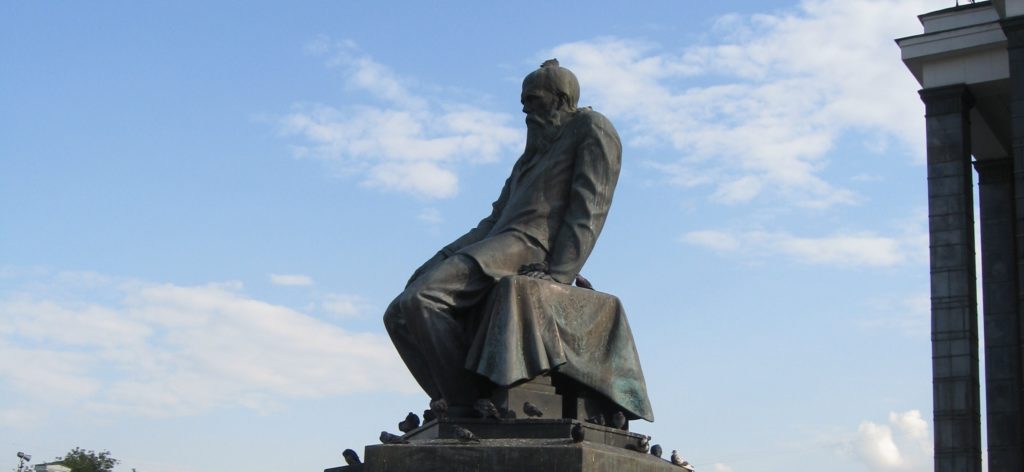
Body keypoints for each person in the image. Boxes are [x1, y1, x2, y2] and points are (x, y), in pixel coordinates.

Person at [383, 59, 622, 408]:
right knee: (398, 313)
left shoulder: (591, 126)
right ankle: (457, 396)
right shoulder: (527, 159)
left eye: (533, 99)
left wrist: (559, 273)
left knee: (423, 299)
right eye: (523, 100)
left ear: (560, 100)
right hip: (501, 243)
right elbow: (492, 221)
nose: (525, 107)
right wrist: (442, 257)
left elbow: (590, 207)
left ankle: (466, 406)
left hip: (531, 246)